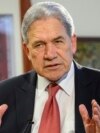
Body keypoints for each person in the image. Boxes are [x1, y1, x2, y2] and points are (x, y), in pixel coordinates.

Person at [0, 1, 100, 133]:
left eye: (58, 41)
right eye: (39, 45)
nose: (50, 55)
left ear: (73, 42)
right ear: (27, 51)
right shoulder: (4, 94)